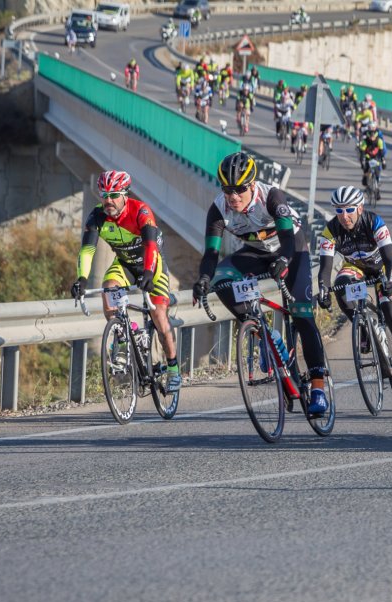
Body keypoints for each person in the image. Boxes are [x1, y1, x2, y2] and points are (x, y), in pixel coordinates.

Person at [193, 152, 330, 415]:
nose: (233, 196)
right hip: (257, 253)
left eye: (240, 189)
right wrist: (204, 279)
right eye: (227, 189)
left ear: (252, 185)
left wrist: (284, 261)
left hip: (292, 250)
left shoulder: (271, 197)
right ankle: (266, 336)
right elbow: (211, 254)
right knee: (221, 277)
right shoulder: (219, 209)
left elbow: (289, 239)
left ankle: (318, 388)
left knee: (302, 313)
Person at [71, 171, 180, 392]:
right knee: (108, 290)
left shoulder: (141, 211)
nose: (108, 200)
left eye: (113, 195)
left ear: (125, 195)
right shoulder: (97, 216)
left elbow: (150, 246)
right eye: (104, 195)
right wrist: (82, 278)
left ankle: (173, 368)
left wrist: (148, 273)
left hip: (152, 265)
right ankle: (122, 338)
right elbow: (87, 250)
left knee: (159, 315)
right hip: (125, 264)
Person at [317, 186, 392, 395]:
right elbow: (325, 269)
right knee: (342, 287)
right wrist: (324, 290)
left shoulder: (374, 222)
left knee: (391, 313)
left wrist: (388, 281)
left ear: (360, 208)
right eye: (339, 210)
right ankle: (362, 324)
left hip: (382, 268)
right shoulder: (330, 230)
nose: (344, 216)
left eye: (349, 209)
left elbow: (389, 259)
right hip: (356, 268)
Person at [358, 127, 386, 196]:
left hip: (376, 158)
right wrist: (362, 162)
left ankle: (377, 188)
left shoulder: (379, 141)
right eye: (370, 136)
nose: (372, 138)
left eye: (373, 136)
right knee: (366, 170)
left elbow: (382, 153)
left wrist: (383, 161)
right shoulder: (365, 141)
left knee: (377, 172)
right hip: (368, 158)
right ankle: (367, 182)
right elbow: (362, 152)